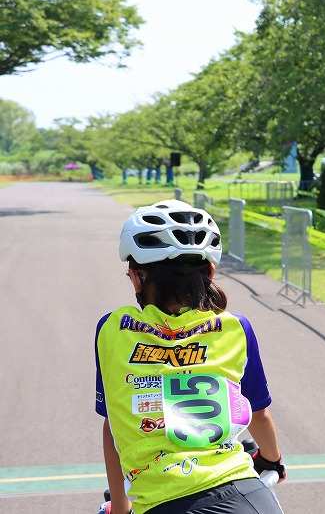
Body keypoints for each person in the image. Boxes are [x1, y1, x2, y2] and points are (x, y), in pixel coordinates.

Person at [95, 200, 286, 514]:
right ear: (211, 270)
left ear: (137, 276)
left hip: (163, 502)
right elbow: (260, 415)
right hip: (248, 496)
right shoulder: (236, 329)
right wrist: (273, 461)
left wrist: (120, 507)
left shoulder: (112, 330)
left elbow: (112, 428)